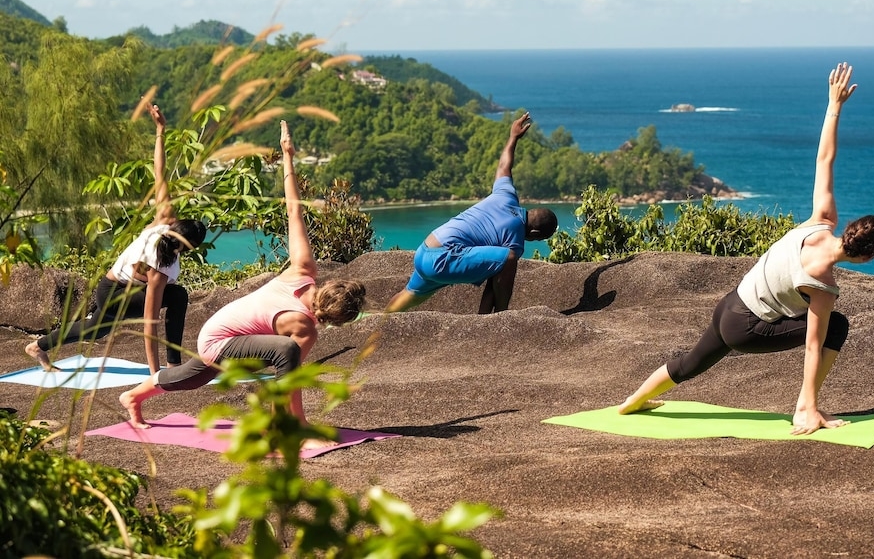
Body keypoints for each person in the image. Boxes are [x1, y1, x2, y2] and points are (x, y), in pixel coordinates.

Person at [618, 62, 874, 436]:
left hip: (730, 304)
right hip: (746, 329)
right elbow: (814, 348)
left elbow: (824, 160)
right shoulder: (823, 285)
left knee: (689, 364)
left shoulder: (820, 220)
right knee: (837, 327)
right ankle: (804, 409)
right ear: (867, 256)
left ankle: (632, 401)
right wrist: (809, 405)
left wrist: (834, 106)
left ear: (850, 229)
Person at [118, 120, 366, 430]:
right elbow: (287, 376)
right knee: (285, 351)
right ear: (332, 320)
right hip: (222, 338)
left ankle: (133, 397)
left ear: (328, 285)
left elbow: (294, 211)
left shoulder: (304, 270)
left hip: (224, 334)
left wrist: (288, 155)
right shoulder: (305, 326)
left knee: (193, 378)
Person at [25, 104, 207, 375]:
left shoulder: (164, 220)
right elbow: (150, 322)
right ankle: (173, 363)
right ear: (189, 246)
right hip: (114, 292)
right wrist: (158, 376)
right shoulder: (161, 267)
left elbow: (160, 174)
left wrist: (160, 131)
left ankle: (38, 346)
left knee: (95, 329)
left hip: (114, 288)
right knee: (178, 295)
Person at [385, 111, 558, 314]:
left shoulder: (506, 196)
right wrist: (502, 315)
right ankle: (498, 316)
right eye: (537, 239)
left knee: (410, 295)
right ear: (535, 234)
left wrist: (513, 137)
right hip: (443, 258)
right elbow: (499, 280)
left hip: (425, 250)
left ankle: (378, 323)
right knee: (508, 259)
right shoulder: (515, 242)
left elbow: (504, 167)